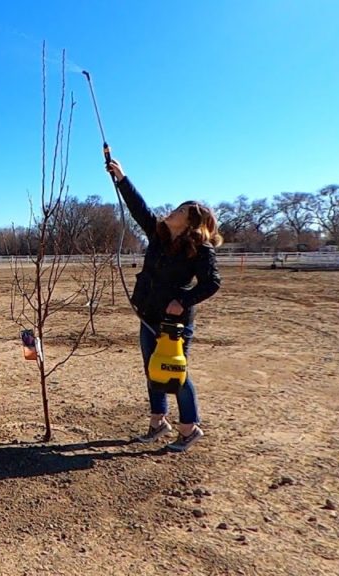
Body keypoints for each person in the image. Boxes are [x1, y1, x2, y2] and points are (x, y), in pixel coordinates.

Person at [107, 158, 223, 452]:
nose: (175, 210)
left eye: (182, 210)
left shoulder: (200, 250)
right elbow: (138, 208)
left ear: (191, 223)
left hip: (175, 322)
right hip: (148, 314)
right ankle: (158, 423)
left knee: (175, 372)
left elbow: (212, 284)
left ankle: (189, 428)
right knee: (152, 369)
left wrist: (182, 300)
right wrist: (121, 178)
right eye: (178, 207)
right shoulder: (158, 236)